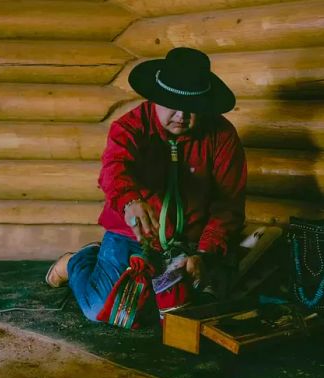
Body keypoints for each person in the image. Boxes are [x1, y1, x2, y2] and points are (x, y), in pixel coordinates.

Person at [45, 47, 247, 323]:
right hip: (131, 237)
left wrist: (205, 253)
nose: (181, 116)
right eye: (171, 104)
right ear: (155, 98)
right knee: (101, 311)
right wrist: (130, 201)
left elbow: (228, 205)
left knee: (186, 313)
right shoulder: (129, 127)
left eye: (191, 108)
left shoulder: (222, 136)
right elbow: (114, 169)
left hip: (191, 243)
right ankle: (77, 261)